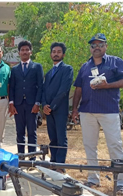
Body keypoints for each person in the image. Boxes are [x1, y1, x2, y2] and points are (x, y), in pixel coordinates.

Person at [71, 33, 123, 195]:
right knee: (89, 145)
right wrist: (75, 109)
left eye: (100, 44)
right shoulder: (85, 66)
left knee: (114, 144)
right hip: (87, 111)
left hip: (108, 110)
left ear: (105, 46)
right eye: (93, 45)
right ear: (90, 48)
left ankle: (120, 182)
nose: (96, 47)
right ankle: (93, 178)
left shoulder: (115, 62)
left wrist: (108, 85)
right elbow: (78, 88)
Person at [9, 40, 43, 156]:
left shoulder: (37, 67)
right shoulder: (14, 69)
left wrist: (37, 103)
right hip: (18, 104)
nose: (24, 52)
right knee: (20, 132)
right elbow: (12, 87)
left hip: (32, 104)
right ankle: (21, 157)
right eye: (22, 50)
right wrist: (11, 103)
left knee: (32, 132)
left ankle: (32, 157)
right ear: (19, 53)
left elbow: (40, 86)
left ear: (31, 52)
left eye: (27, 50)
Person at [42, 42, 73, 171]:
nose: (56, 54)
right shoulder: (49, 73)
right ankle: (53, 162)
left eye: (58, 52)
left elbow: (63, 90)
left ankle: (60, 165)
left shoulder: (67, 69)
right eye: (54, 51)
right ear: (51, 54)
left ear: (63, 54)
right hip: (49, 111)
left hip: (59, 109)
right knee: (52, 137)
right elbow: (43, 90)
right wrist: (44, 105)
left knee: (61, 138)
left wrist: (52, 106)